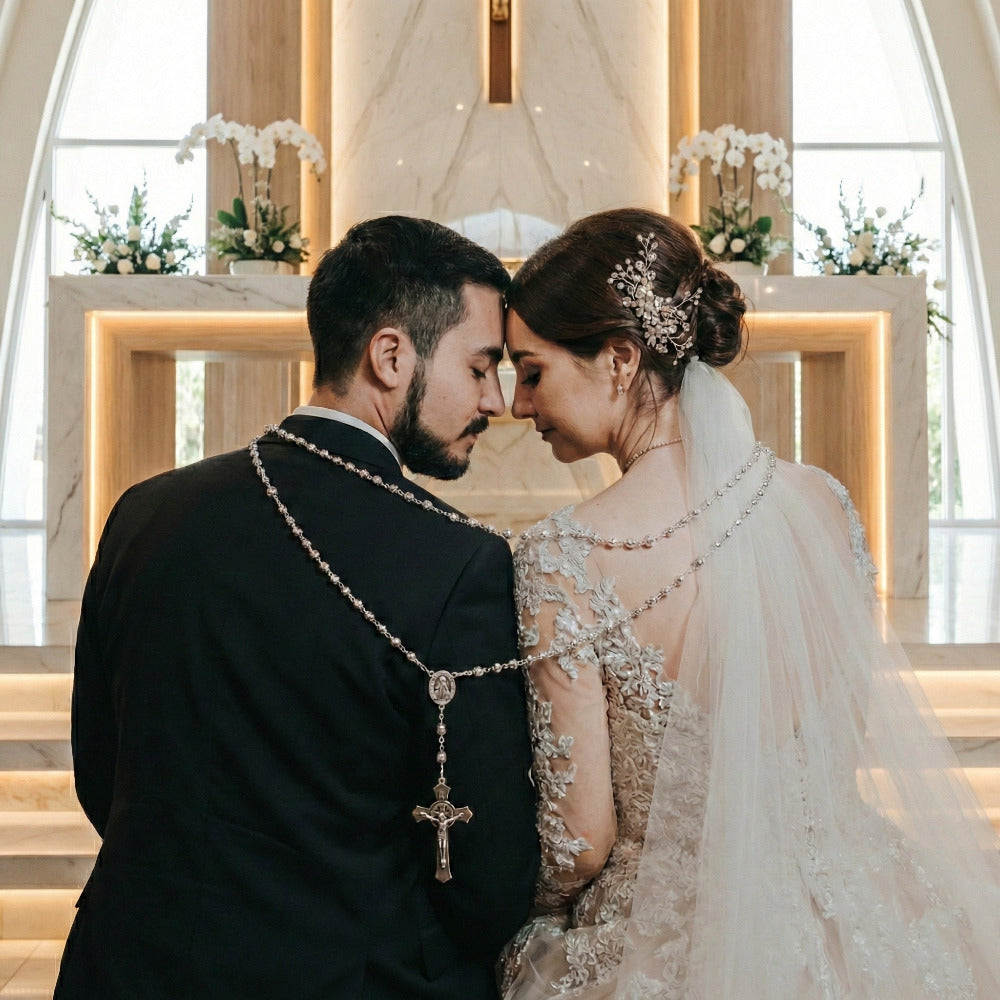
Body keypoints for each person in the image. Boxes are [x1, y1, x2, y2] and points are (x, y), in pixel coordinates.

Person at [498, 207, 1000, 999]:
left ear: (620, 359)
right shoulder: (823, 502)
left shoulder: (565, 556)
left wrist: (532, 917)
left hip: (666, 943)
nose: (519, 406)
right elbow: (838, 741)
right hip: (855, 917)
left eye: (532, 372)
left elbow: (582, 842)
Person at [56, 215, 538, 1000]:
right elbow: (487, 875)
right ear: (391, 355)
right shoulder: (460, 562)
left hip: (132, 965)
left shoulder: (145, 512)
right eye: (481, 366)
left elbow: (99, 773)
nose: (496, 400)